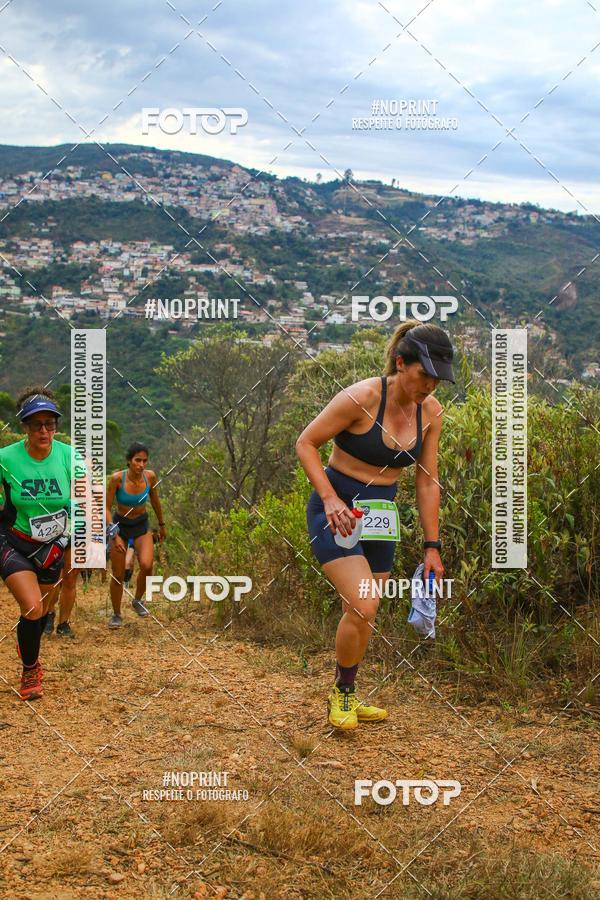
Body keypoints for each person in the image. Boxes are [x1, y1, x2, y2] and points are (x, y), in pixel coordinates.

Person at [296, 321, 455, 730]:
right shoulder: (362, 397)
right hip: (337, 510)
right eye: (424, 376)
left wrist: (431, 545)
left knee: (365, 611)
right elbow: (306, 443)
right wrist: (330, 498)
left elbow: (426, 480)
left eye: (438, 379)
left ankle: (345, 690)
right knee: (363, 603)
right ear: (401, 363)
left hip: (382, 517)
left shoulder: (431, 412)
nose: (430, 387)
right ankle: (342, 695)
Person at [0, 387, 86, 699]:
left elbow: (81, 500)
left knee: (42, 609)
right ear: (24, 426)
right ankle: (30, 669)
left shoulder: (70, 457)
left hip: (53, 545)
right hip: (16, 541)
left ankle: (30, 650)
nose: (44, 431)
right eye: (36, 424)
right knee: (33, 607)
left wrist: (69, 538)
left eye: (50, 424)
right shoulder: (6, 458)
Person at [105, 442, 165, 628]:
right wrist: (114, 535)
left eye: (144, 461)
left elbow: (154, 500)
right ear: (129, 461)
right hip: (120, 526)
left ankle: (137, 600)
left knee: (147, 565)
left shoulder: (150, 477)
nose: (141, 464)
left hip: (141, 524)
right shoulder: (117, 479)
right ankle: (116, 614)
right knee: (118, 573)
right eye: (137, 460)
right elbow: (106, 508)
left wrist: (162, 524)